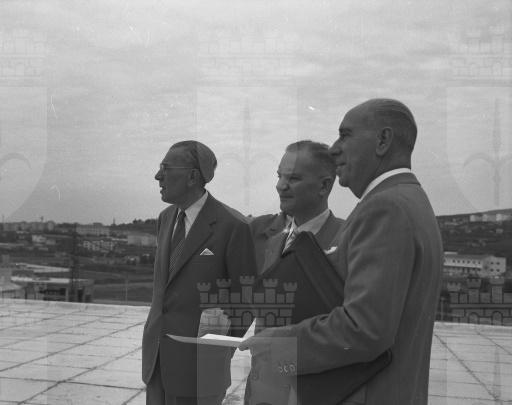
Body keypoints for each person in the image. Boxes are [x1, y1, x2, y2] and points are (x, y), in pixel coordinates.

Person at [241, 98, 443, 405]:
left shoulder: (385, 207)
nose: (334, 149)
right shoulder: (410, 199)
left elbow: (364, 329)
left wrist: (279, 344)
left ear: (383, 140)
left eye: (345, 135)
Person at [142, 140, 257, 405]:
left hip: (200, 369)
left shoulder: (233, 226)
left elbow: (246, 301)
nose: (158, 176)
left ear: (193, 176)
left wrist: (215, 354)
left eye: (166, 168)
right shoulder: (166, 218)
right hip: (156, 362)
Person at [245, 141, 344, 404]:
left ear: (324, 186)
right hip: (264, 390)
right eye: (280, 176)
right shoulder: (272, 241)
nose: (280, 185)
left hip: (318, 391)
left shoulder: (348, 239)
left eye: (294, 178)